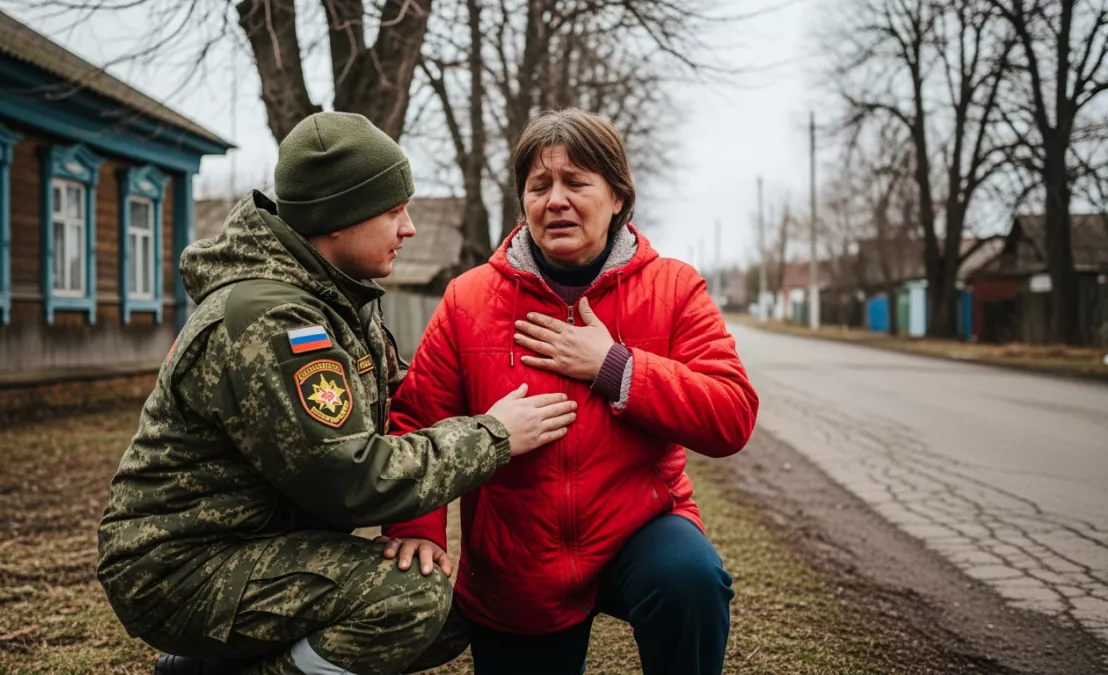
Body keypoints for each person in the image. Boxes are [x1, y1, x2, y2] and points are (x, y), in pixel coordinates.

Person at [96, 111, 578, 675]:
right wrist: (493, 436)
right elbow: (352, 479)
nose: (409, 229)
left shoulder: (335, 300)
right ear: (338, 220)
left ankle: (202, 669)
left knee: (453, 613)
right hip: (181, 567)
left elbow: (408, 399)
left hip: (252, 543)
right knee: (408, 600)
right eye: (393, 212)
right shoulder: (272, 321)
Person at [380, 108, 759, 675]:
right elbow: (416, 420)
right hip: (519, 555)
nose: (555, 200)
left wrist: (614, 366)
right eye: (539, 186)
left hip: (641, 530)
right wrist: (416, 528)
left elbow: (731, 414)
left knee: (691, 579)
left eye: (576, 182)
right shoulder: (469, 300)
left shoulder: (674, 288)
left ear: (618, 197)